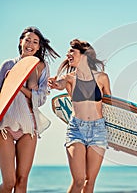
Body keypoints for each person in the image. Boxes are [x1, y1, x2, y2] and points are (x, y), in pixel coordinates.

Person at [0, 26, 60, 192]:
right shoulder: (8, 65)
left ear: (39, 46)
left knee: (22, 181)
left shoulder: (41, 67)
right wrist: (9, 81)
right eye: (28, 40)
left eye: (35, 42)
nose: (30, 44)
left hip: (28, 127)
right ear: (21, 42)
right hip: (5, 126)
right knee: (9, 182)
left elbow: (40, 99)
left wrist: (18, 85)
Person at [48, 39, 111, 193]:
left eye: (72, 52)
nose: (67, 54)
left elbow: (111, 106)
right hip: (76, 129)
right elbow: (60, 84)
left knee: (89, 182)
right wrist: (55, 84)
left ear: (84, 55)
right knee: (79, 180)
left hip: (98, 130)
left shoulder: (102, 78)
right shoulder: (70, 78)